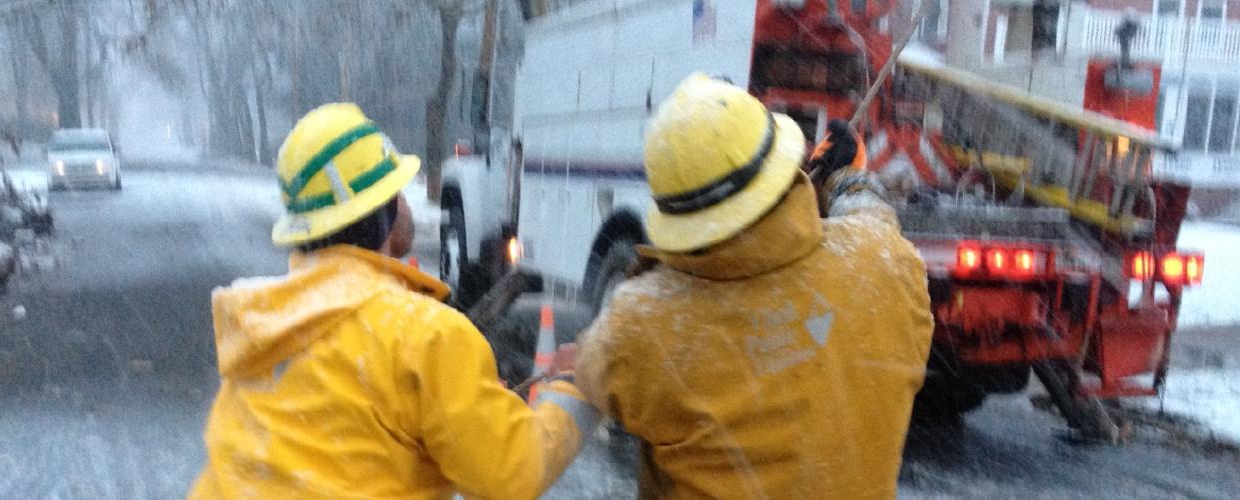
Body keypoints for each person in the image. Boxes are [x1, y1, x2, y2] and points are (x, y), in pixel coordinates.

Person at [190, 103, 599, 499]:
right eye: (396, 190)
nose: (405, 201)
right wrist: (570, 388)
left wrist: (469, 406)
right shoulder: (424, 336)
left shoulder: (266, 323)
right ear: (383, 211)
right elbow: (511, 475)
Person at [575, 75, 934, 499]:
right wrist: (846, 178)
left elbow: (586, 378)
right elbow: (873, 222)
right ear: (783, 166)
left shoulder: (642, 322)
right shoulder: (884, 269)